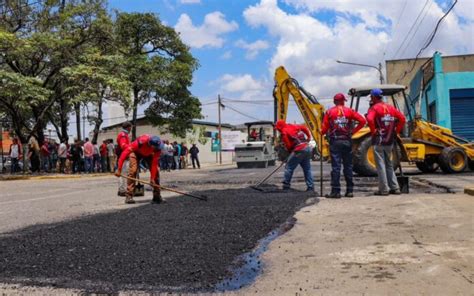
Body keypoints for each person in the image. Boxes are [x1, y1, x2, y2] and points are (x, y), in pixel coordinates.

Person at [321, 93, 366, 198]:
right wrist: (353, 131)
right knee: (348, 166)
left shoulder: (329, 112)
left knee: (336, 167)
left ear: (334, 101)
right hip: (347, 141)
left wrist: (321, 131)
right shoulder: (349, 111)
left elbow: (323, 129)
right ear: (342, 101)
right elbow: (363, 121)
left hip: (335, 142)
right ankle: (350, 190)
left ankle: (336, 191)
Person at [366, 88, 406, 196]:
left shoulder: (374, 108)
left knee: (380, 165)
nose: (371, 98)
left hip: (378, 140)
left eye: (371, 97)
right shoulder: (390, 108)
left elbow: (369, 119)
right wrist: (396, 131)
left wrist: (373, 130)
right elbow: (402, 119)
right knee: (389, 164)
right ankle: (395, 187)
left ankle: (384, 189)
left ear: (374, 97)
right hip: (389, 140)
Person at [115, 134, 163, 204]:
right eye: (156, 147)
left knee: (156, 174)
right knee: (133, 171)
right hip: (136, 152)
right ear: (150, 145)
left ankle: (157, 195)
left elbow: (154, 164)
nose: (158, 148)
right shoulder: (140, 142)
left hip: (149, 154)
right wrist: (119, 170)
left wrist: (152, 178)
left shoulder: (158, 148)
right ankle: (129, 196)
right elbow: (124, 154)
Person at [275, 120, 314, 192]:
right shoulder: (294, 126)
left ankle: (286, 186)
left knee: (288, 167)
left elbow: (289, 146)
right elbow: (304, 128)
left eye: (277, 128)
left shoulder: (284, 132)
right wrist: (308, 137)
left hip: (299, 149)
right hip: (307, 148)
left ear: (280, 127)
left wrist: (290, 154)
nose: (277, 130)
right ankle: (310, 187)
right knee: (307, 169)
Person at [116, 122, 132, 196]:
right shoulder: (123, 135)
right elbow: (123, 145)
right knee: (123, 174)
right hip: (124, 157)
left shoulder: (125, 135)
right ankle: (122, 190)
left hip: (125, 156)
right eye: (130, 127)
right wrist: (131, 148)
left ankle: (121, 189)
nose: (131, 129)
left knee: (124, 173)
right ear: (128, 127)